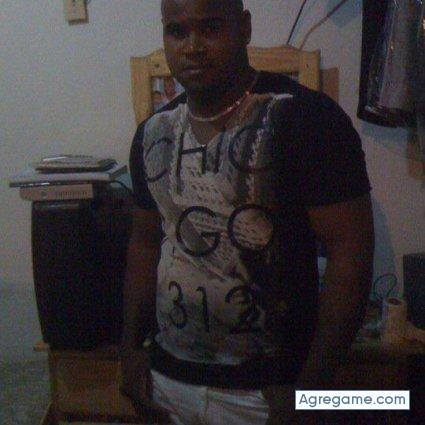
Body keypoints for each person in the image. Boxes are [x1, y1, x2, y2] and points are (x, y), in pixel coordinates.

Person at [121, 0, 374, 424]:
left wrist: (312, 391)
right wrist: (130, 351)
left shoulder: (306, 118)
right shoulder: (153, 133)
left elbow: (351, 253)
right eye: (177, 31)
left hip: (268, 392)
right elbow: (145, 245)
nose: (192, 46)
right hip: (168, 384)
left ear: (244, 28)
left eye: (210, 28)